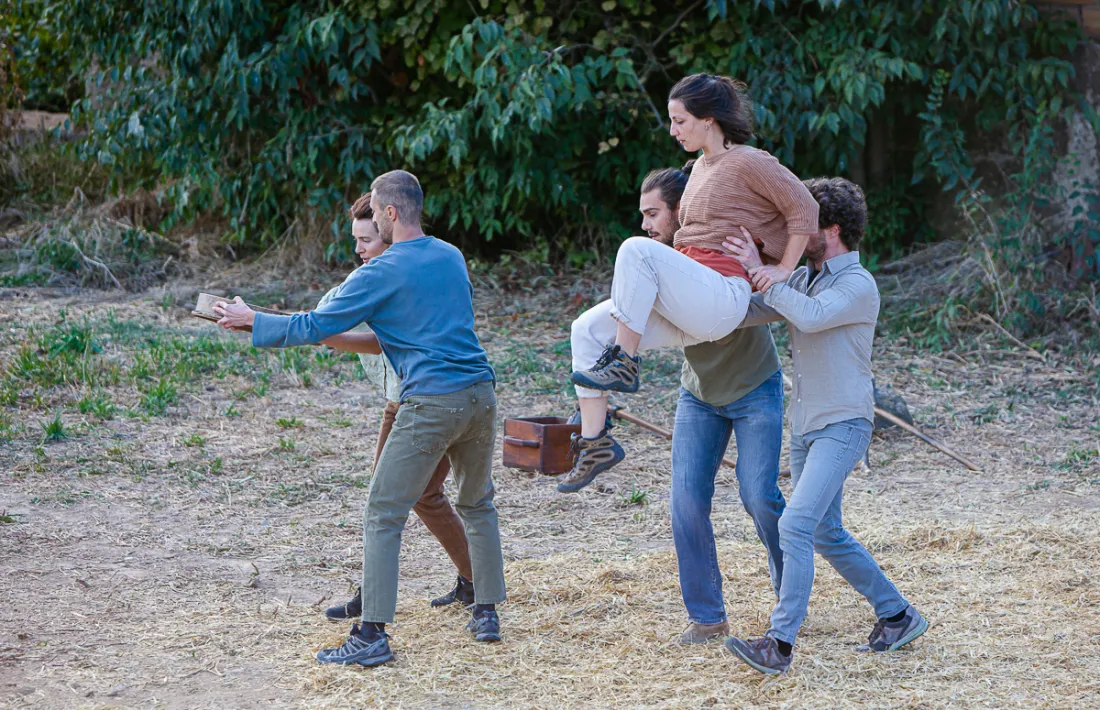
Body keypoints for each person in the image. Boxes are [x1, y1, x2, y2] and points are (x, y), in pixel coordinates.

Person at [213, 170, 506, 668]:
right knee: (477, 503)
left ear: (390, 213)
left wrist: (251, 321)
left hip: (432, 402)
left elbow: (314, 324)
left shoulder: (382, 270)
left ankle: (371, 633)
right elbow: (419, 331)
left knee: (383, 509)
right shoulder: (450, 255)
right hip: (480, 395)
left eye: (374, 210)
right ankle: (486, 611)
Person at [561, 73, 819, 493]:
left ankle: (624, 360)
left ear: (709, 119)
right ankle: (595, 444)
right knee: (585, 331)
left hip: (722, 296)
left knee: (634, 249)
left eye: (680, 120)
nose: (672, 129)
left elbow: (804, 207)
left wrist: (782, 270)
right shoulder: (699, 167)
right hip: (693, 304)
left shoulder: (750, 161)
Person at [721, 177, 927, 675]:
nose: (796, 231)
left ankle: (779, 643)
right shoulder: (804, 279)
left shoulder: (858, 284)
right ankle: (898, 614)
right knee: (826, 532)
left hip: (845, 423)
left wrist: (760, 269)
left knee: (795, 523)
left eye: (805, 224)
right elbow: (753, 310)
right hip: (807, 425)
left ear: (830, 229)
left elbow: (810, 318)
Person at [615, 163, 788, 643]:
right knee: (686, 504)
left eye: (654, 214)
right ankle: (707, 618)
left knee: (760, 497)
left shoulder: (729, 246)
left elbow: (780, 302)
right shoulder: (657, 265)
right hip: (698, 393)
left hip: (755, 386)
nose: (647, 226)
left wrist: (735, 304)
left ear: (681, 211)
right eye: (644, 216)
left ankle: (790, 590)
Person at [314, 192, 475, 622]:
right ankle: (470, 582)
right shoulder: (384, 272)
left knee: (391, 503)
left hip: (428, 401)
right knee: (415, 496)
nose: (359, 250)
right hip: (402, 400)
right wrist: (334, 336)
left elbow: (394, 338)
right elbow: (385, 339)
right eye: (356, 240)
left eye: (366, 239)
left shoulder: (405, 269)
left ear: (389, 232)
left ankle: (381, 606)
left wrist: (324, 333)